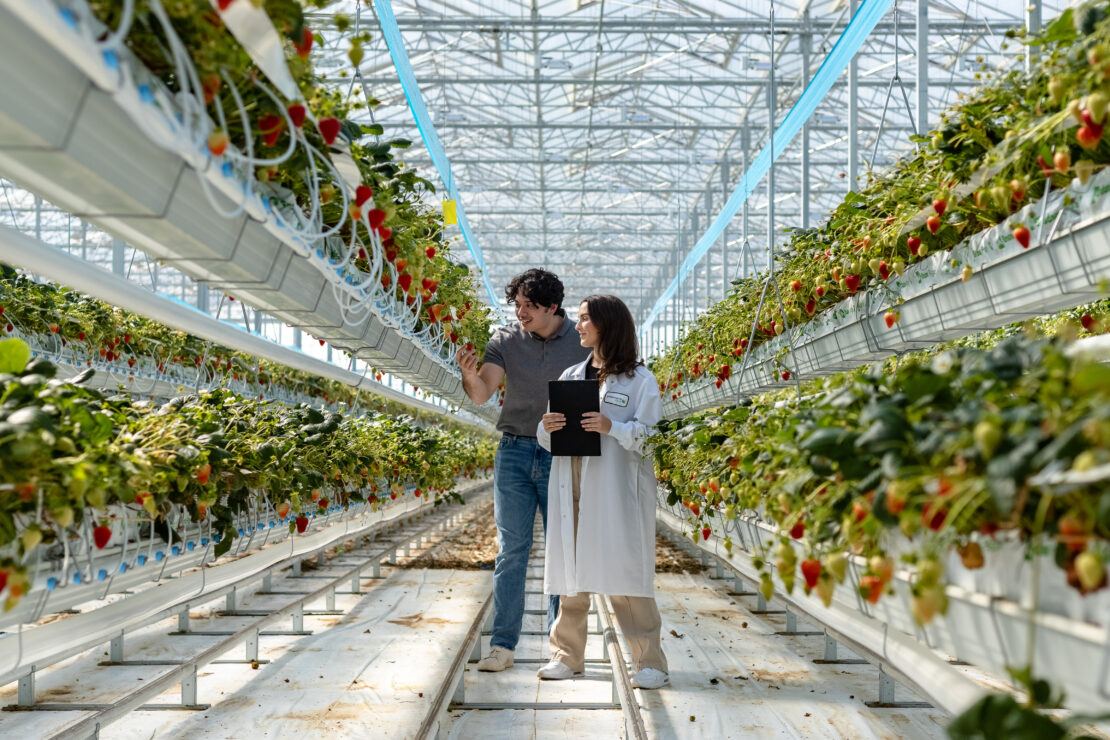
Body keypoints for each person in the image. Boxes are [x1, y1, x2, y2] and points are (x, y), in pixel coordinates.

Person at [456, 269, 592, 672]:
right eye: (516, 305)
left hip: (563, 453)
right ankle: (502, 646)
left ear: (553, 307)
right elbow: (482, 393)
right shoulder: (505, 341)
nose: (520, 313)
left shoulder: (581, 342)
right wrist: (469, 374)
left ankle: (560, 649)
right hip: (514, 450)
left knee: (561, 551)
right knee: (511, 551)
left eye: (529, 306)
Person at [536, 294, 669, 690]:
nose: (577, 326)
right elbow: (544, 439)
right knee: (573, 571)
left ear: (606, 325)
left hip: (614, 486)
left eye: (583, 320)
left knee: (624, 575)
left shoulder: (640, 381)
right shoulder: (570, 377)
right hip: (572, 476)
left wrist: (614, 428)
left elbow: (653, 438)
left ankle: (650, 662)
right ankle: (565, 655)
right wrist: (549, 426)